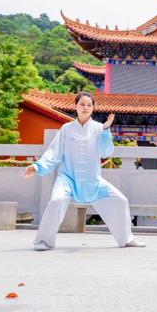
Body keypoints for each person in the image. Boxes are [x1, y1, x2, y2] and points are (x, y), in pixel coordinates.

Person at [22, 92, 145, 251]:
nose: (85, 107)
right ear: (76, 106)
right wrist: (37, 167)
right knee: (56, 201)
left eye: (89, 105)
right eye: (82, 104)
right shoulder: (66, 129)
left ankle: (127, 239)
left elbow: (105, 152)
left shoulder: (99, 128)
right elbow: (54, 152)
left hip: (92, 181)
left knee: (120, 201)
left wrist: (106, 131)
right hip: (67, 179)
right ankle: (43, 241)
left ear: (93, 108)